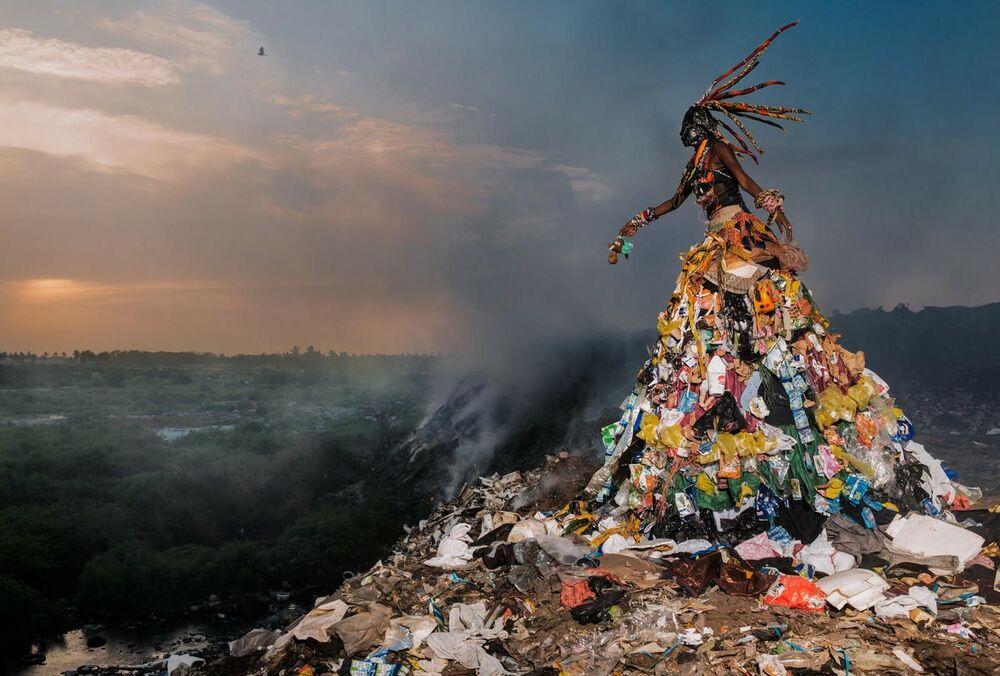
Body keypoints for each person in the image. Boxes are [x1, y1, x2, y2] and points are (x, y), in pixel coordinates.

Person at [586, 22, 942, 538]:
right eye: (686, 134)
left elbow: (750, 187)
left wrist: (770, 205)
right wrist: (633, 225)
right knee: (705, 330)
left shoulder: (720, 152)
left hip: (738, 232)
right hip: (714, 243)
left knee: (768, 311)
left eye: (691, 130)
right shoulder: (692, 170)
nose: (688, 138)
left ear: (702, 125)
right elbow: (671, 203)